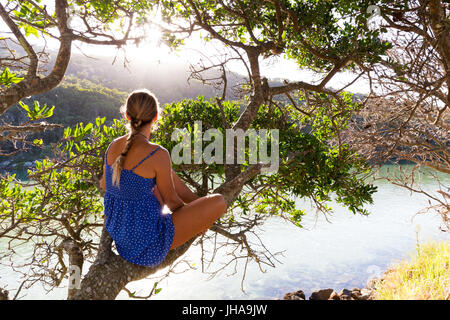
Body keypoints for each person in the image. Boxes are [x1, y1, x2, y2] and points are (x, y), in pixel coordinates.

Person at [100, 89, 227, 267]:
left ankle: (196, 202)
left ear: (127, 116)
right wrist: (197, 221)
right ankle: (198, 206)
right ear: (156, 117)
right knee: (219, 201)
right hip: (148, 246)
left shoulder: (113, 146)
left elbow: (104, 184)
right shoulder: (157, 153)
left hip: (122, 241)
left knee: (162, 173)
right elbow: (173, 203)